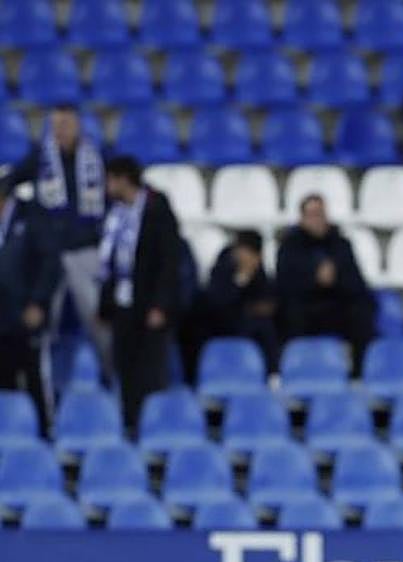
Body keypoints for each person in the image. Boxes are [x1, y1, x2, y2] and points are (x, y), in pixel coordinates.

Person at [1, 104, 109, 372]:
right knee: (44, 322)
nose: (61, 130)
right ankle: (46, 378)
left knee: (100, 319)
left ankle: (112, 374)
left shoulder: (96, 158)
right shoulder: (40, 157)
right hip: (47, 255)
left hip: (84, 250)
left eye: (66, 124)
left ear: (78, 126)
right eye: (56, 125)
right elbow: (11, 181)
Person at [97, 156, 181, 430]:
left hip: (149, 306)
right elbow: (110, 261)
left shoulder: (157, 208)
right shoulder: (115, 212)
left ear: (123, 179)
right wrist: (105, 304)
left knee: (151, 373)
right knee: (126, 370)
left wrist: (161, 304)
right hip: (123, 304)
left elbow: (169, 261)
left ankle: (155, 428)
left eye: (111, 179)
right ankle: (130, 425)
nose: (107, 186)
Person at [276, 194, 376, 374]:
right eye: (312, 215)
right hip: (303, 305)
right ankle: (295, 371)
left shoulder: (341, 244)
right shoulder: (290, 246)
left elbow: (356, 282)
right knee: (290, 312)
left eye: (320, 214)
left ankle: (359, 374)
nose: (317, 220)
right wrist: (314, 278)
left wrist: (335, 278)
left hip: (336, 304)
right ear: (302, 218)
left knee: (362, 311)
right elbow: (284, 283)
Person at [0, 185, 61, 434]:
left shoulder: (31, 216)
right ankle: (8, 434)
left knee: (35, 378)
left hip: (28, 315)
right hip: (1, 319)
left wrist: (38, 302)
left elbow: (50, 263)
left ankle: (44, 434)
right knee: (4, 380)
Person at [180, 230, 280, 381]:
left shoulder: (259, 273)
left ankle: (271, 375)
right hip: (219, 326)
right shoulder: (223, 268)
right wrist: (240, 281)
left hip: (248, 325)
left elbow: (266, 298)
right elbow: (218, 302)